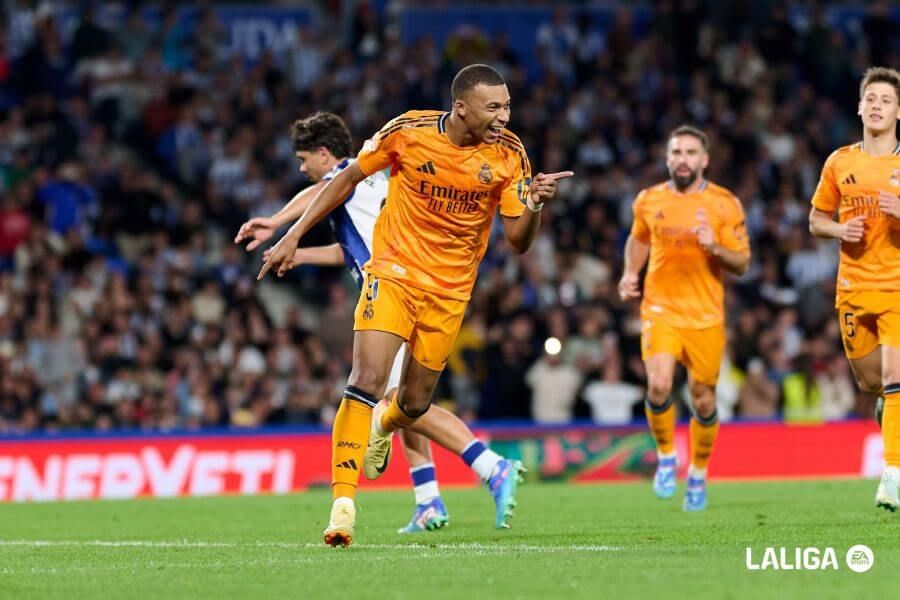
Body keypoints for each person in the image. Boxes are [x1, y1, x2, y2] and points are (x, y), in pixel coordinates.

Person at [258, 65, 572, 547]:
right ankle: (343, 507)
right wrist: (292, 234)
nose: (505, 116)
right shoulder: (409, 131)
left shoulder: (510, 155)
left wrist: (534, 205)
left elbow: (518, 241)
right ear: (461, 108)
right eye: (494, 107)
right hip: (393, 273)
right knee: (365, 379)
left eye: (507, 106)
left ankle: (390, 436)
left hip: (450, 293)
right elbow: (343, 179)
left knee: (412, 404)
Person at [236, 111, 524, 534]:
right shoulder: (372, 183)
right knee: (399, 400)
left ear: (323, 154)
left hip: (398, 290)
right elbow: (350, 249)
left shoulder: (347, 179)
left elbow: (324, 188)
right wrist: (300, 252)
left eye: (303, 159)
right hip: (409, 283)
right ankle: (427, 499)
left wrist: (280, 224)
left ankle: (490, 465)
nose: (302, 169)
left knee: (400, 402)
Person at [618, 125, 750, 512]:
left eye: (691, 153)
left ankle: (698, 473)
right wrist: (629, 273)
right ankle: (665, 456)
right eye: (676, 152)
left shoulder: (724, 203)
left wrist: (715, 246)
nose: (683, 159)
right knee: (659, 385)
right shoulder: (648, 200)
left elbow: (742, 262)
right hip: (660, 310)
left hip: (706, 317)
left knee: (703, 400)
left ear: (704, 160)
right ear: (667, 158)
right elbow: (639, 238)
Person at [808, 66, 900, 511]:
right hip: (853, 288)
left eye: (886, 100)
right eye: (871, 99)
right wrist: (839, 230)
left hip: (897, 287)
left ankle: (892, 477)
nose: (878, 106)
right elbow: (815, 220)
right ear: (860, 107)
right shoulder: (839, 162)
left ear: (898, 111)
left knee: (895, 376)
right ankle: (887, 410)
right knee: (871, 382)